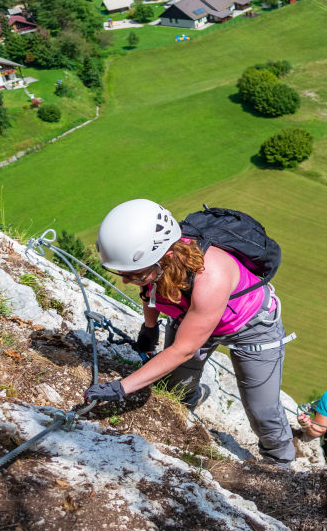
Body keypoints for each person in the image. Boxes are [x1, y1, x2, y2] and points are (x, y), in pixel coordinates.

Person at [84, 199, 297, 467]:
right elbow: (149, 292)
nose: (127, 280)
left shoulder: (212, 277)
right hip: (191, 317)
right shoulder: (157, 266)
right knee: (174, 387)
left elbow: (182, 349)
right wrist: (149, 328)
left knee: (262, 410)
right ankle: (184, 411)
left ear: (167, 256)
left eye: (134, 274)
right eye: (123, 274)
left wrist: (120, 388)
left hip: (251, 328)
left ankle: (280, 462)